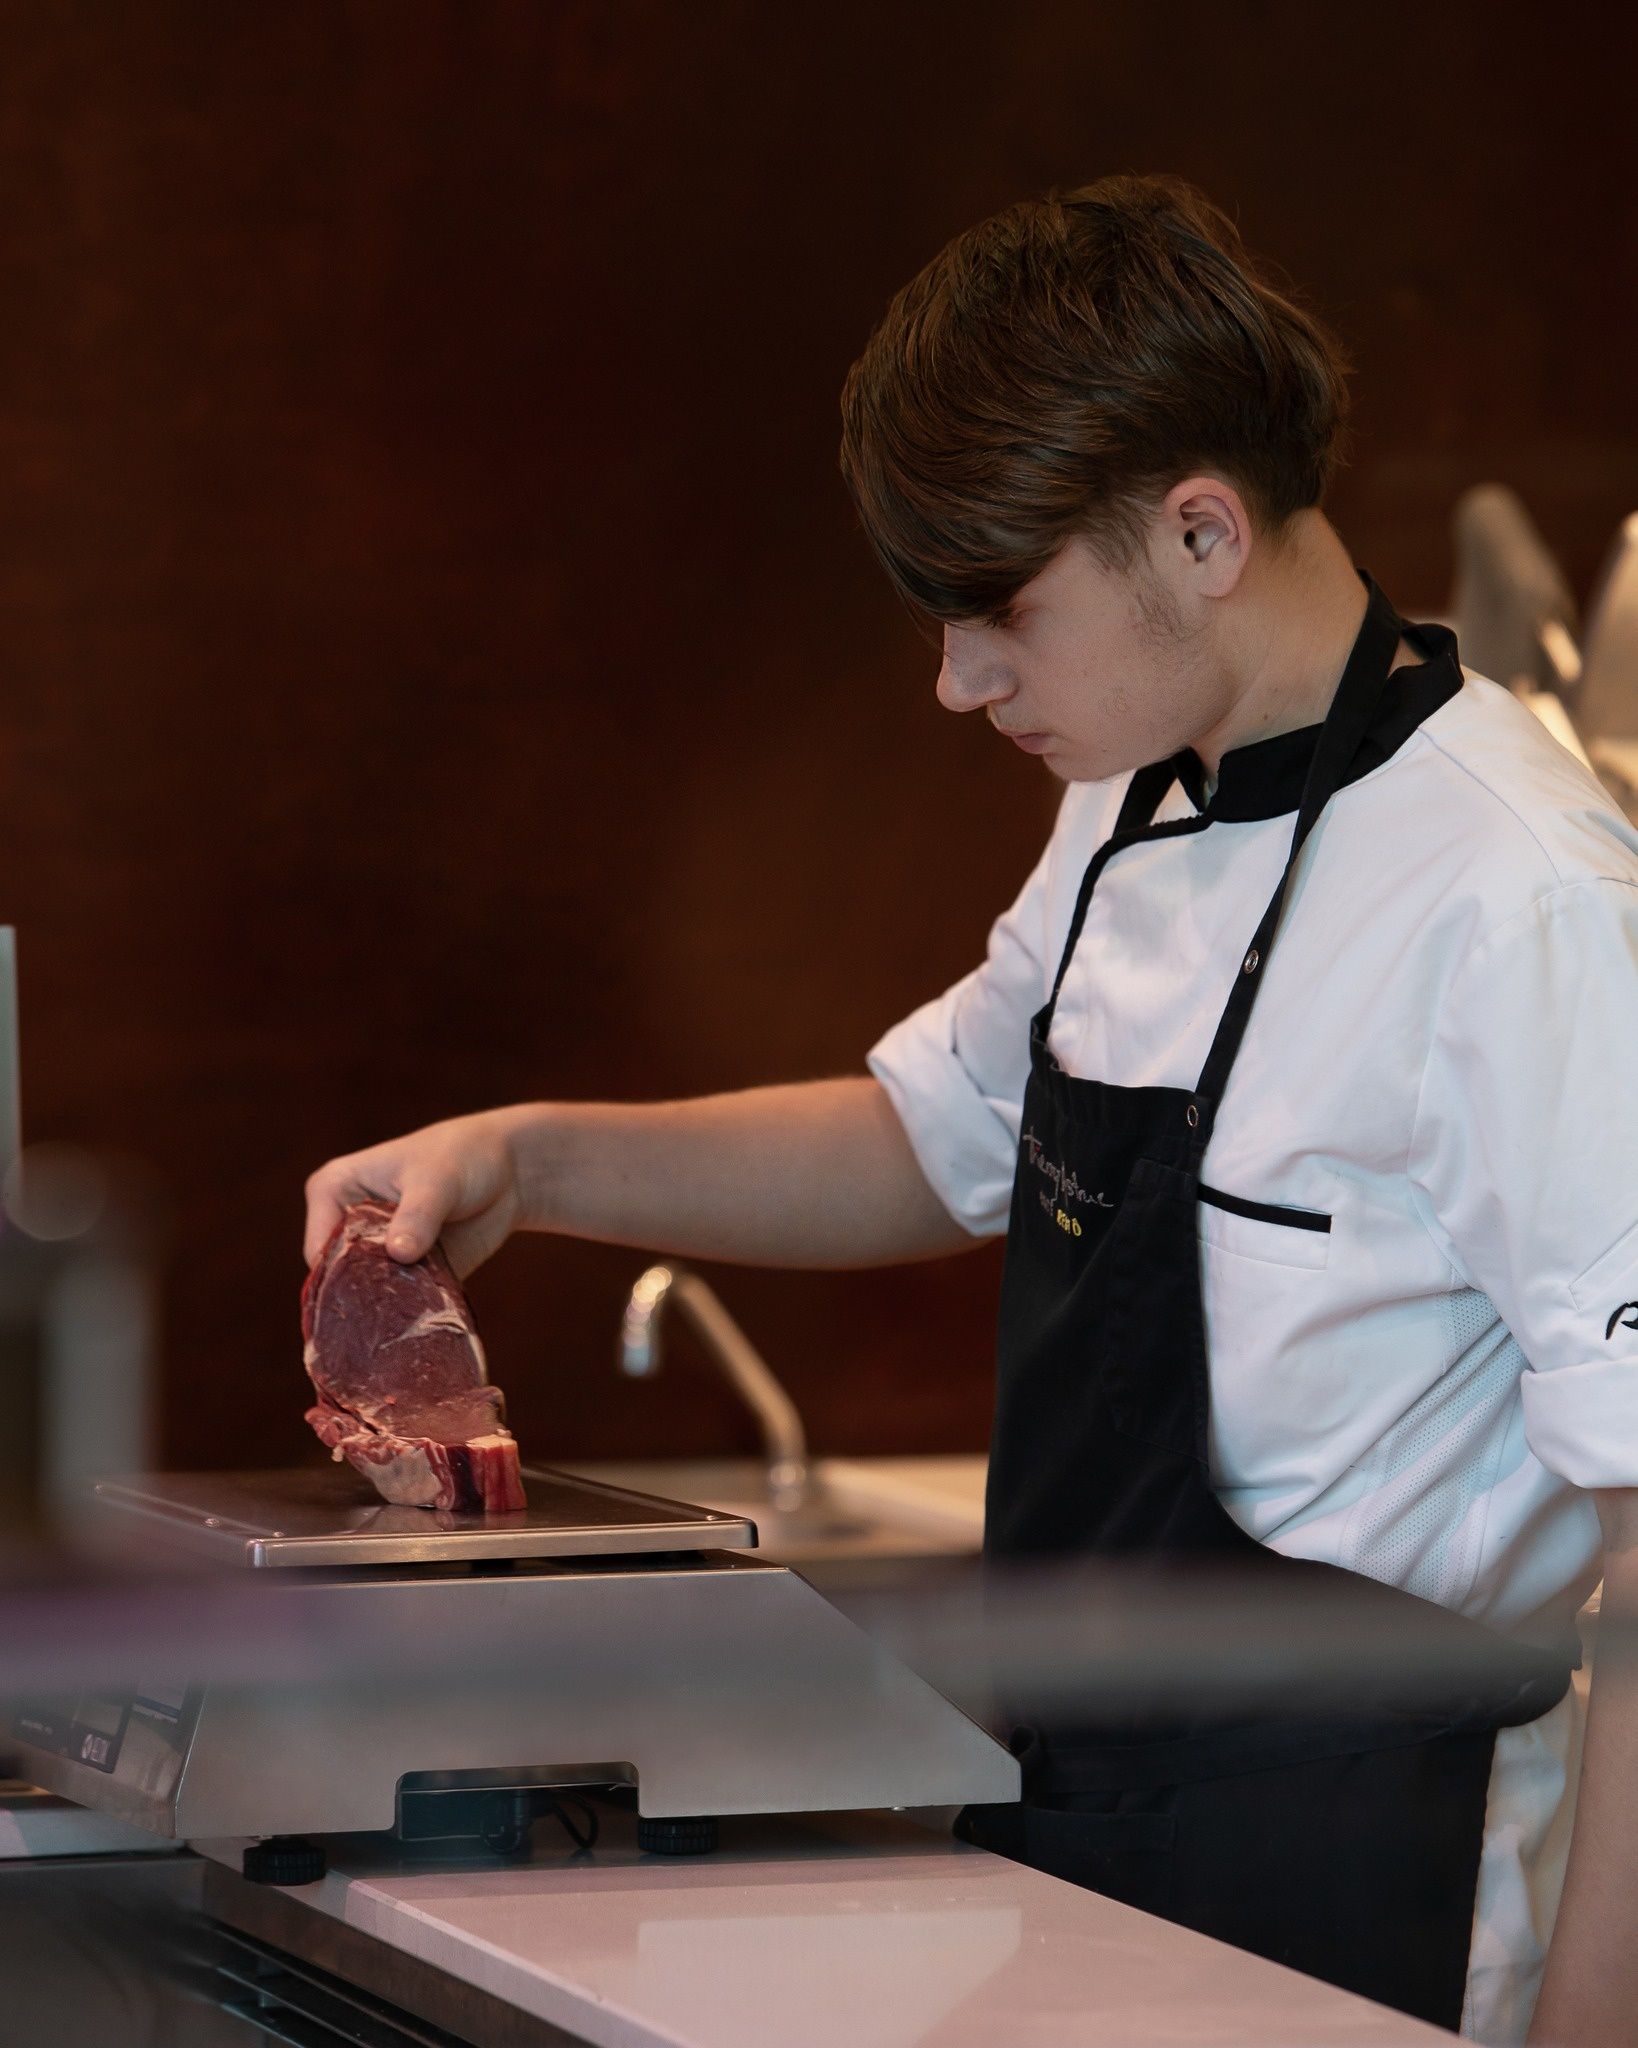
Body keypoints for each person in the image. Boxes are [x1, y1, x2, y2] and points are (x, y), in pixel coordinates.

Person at [303, 175, 1638, 2046]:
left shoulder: (1523, 901)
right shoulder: (1134, 795)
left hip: (1384, 1889)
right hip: (1090, 1838)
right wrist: (533, 1155)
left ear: (1198, 531)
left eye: (1000, 612)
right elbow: (932, 1137)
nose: (955, 684)